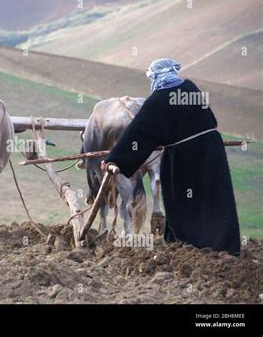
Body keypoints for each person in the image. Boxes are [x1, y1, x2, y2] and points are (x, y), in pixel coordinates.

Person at [103, 58, 241, 255]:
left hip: (186, 158)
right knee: (214, 197)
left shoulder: (158, 99)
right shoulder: (190, 87)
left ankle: (190, 241)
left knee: (183, 198)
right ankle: (223, 243)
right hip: (212, 151)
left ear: (156, 76)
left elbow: (139, 132)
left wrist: (114, 159)